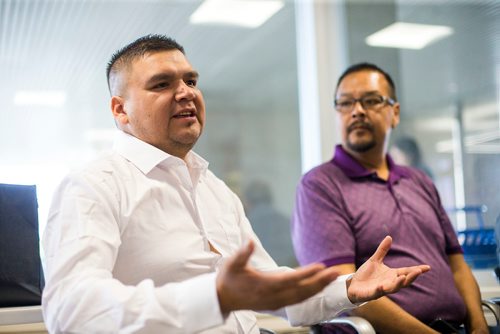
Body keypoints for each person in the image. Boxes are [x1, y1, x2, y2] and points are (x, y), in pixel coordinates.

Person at [42, 36, 430, 333]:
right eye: (161, 84)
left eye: (191, 80)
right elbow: (71, 309)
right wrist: (213, 297)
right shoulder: (92, 186)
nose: (186, 92)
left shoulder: (213, 188)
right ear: (120, 109)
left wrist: (346, 288)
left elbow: (271, 288)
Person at [292, 62, 488, 334]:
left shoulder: (419, 181)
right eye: (346, 103)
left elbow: (457, 266)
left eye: (370, 101)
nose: (357, 111)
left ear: (394, 113)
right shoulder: (320, 186)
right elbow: (345, 292)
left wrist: (479, 326)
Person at [244, 180, 297, 267]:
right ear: (270, 198)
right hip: (291, 270)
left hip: (261, 275)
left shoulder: (245, 225)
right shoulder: (286, 220)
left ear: (247, 201)